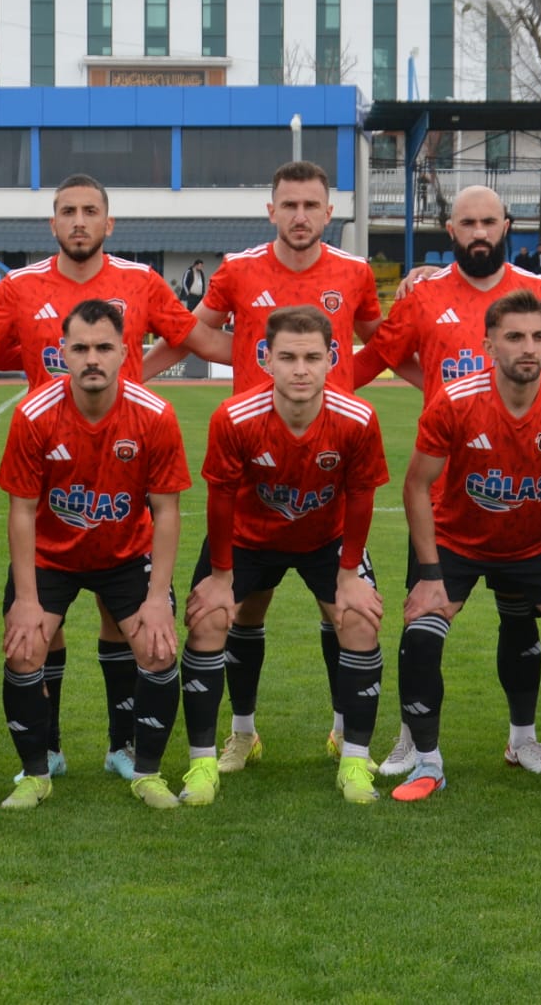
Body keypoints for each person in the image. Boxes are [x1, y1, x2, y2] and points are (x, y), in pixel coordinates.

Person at [0, 175, 225, 780]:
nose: (78, 220)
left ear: (110, 224)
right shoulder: (20, 287)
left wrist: (284, 355)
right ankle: (49, 750)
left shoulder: (140, 282)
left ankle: (121, 745)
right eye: (67, 211)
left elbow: (198, 338)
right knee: (37, 632)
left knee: (121, 622)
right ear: (52, 224)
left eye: (90, 211)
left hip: (121, 479)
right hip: (47, 479)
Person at [146, 160, 383, 766]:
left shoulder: (354, 272)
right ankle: (243, 734)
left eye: (312, 205)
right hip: (254, 466)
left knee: (346, 609)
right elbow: (196, 335)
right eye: (289, 205)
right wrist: (132, 375)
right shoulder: (240, 270)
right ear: (271, 210)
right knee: (238, 609)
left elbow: (385, 341)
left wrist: (361, 385)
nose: (300, 216)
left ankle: (341, 731)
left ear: (330, 213)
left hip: (326, 466)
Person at [350, 185, 541, 774]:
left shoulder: (540, 293)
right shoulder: (425, 294)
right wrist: (429, 382)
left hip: (522, 497)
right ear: (449, 229)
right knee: (421, 614)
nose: (479, 232)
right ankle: (411, 738)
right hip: (443, 499)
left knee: (519, 619)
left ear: (506, 224)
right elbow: (376, 354)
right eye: (467, 223)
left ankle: (523, 737)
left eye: (489, 221)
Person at [395, 289, 541, 803]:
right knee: (421, 635)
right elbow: (415, 486)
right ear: (489, 344)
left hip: (537, 542)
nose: (528, 348)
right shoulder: (455, 399)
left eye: (538, 337)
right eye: (515, 337)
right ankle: (427, 763)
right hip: (457, 540)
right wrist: (429, 576)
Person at [179, 306, 391, 805]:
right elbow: (221, 498)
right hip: (249, 536)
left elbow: (361, 497)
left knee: (359, 617)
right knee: (211, 618)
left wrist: (348, 573)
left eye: (312, 357)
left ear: (331, 360)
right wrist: (221, 576)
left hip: (326, 538)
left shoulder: (357, 419)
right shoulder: (234, 417)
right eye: (289, 357)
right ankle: (216, 754)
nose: (301, 368)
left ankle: (353, 757)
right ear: (265, 359)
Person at [0, 300, 192, 810]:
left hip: (127, 554)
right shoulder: (33, 415)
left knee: (157, 646)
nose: (92, 358)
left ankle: (143, 769)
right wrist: (27, 599)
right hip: (50, 555)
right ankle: (37, 773)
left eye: (104, 347)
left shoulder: (155, 415)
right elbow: (20, 512)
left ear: (125, 352)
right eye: (80, 348)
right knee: (22, 647)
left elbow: (167, 513)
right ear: (61, 353)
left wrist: (156, 599)